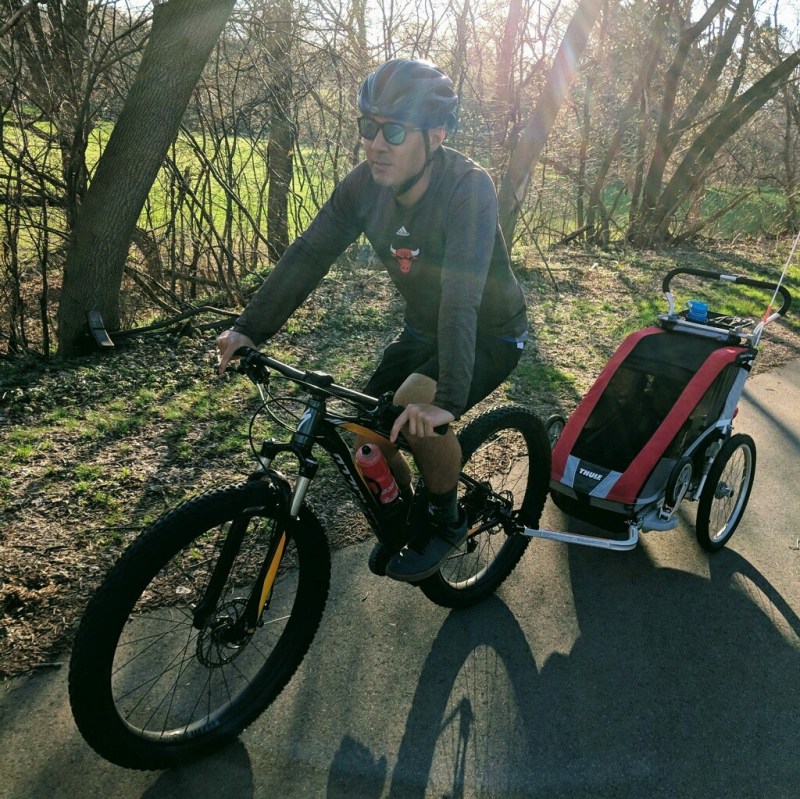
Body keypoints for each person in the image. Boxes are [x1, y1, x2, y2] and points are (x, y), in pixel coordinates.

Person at [216, 58, 528, 582]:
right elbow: (310, 252)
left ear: (436, 135)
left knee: (416, 407)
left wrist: (446, 401)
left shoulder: (468, 189)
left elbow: (460, 299)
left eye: (394, 130)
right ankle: (409, 516)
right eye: (368, 127)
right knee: (365, 438)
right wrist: (250, 326)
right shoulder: (363, 186)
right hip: (422, 328)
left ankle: (447, 520)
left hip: (488, 329)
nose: (376, 144)